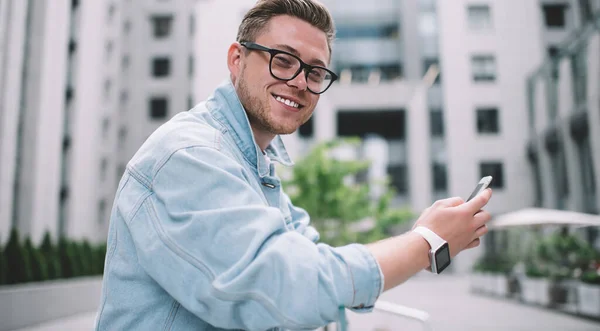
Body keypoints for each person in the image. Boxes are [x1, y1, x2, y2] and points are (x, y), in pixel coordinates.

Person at [94, 0, 492, 330]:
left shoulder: (255, 165)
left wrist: (423, 236)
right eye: (283, 61)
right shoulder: (190, 155)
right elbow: (288, 287)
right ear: (237, 60)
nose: (301, 82)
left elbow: (314, 265)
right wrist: (426, 243)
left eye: (316, 71)